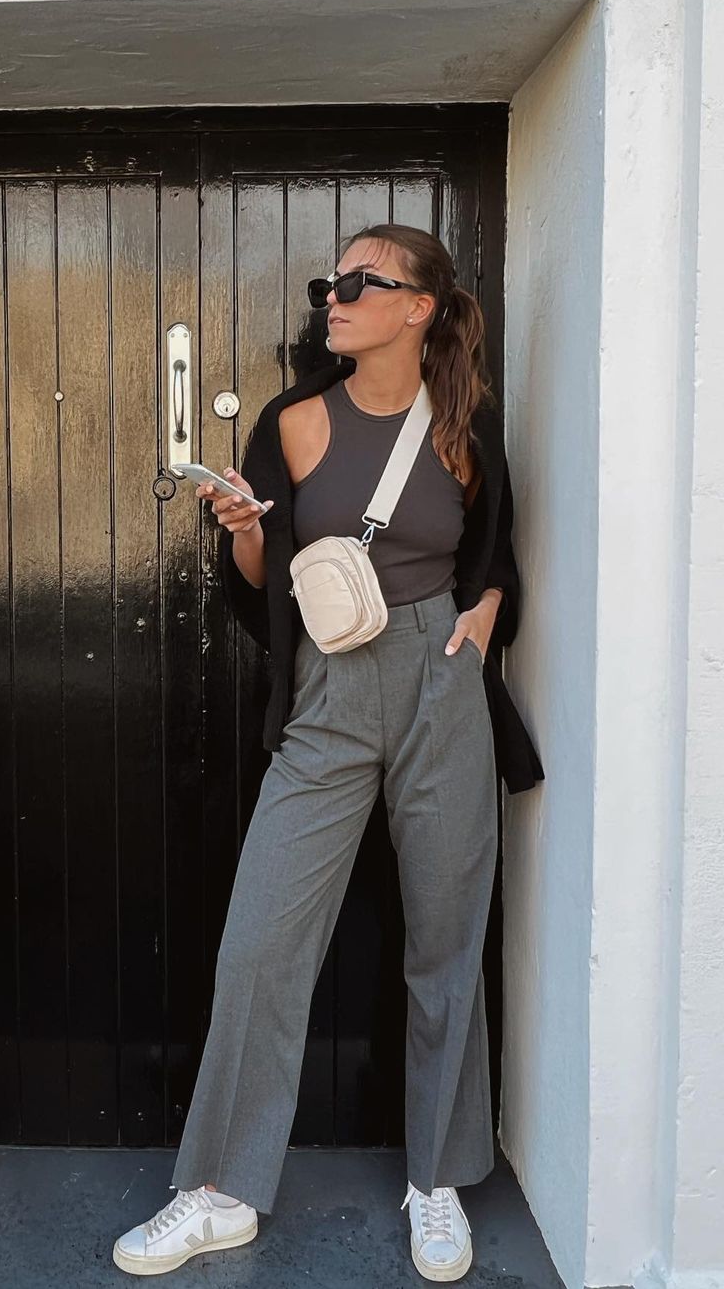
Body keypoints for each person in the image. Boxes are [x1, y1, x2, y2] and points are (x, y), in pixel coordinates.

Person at [112, 223, 543, 1280]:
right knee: (264, 937)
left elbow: (495, 548)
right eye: (329, 283)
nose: (335, 299)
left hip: (443, 678)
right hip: (333, 686)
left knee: (446, 939)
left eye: (360, 282)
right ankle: (221, 1190)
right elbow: (264, 583)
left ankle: (436, 1180)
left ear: (419, 307)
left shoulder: (464, 422)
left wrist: (484, 614)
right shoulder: (295, 421)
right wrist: (244, 529)